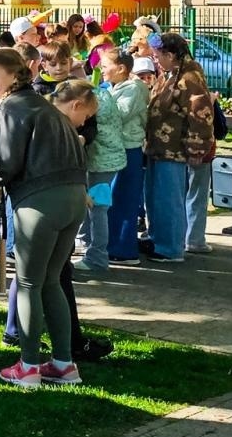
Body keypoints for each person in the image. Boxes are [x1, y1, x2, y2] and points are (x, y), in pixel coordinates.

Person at [0, 49, 89, 387]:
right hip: (73, 198)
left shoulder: (12, 106)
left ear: (14, 74)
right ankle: (64, 364)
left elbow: (2, 162)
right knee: (51, 280)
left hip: (40, 202)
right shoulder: (45, 105)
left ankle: (28, 366)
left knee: (28, 283)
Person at [143, 33, 216, 264]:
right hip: (159, 147)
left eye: (158, 56)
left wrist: (197, 148)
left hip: (174, 150)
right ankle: (158, 239)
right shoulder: (170, 75)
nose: (155, 61)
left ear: (171, 55)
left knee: (169, 199)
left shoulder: (189, 78)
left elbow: (201, 115)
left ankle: (170, 248)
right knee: (156, 198)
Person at [75, 62, 126, 275]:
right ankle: (90, 246)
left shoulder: (92, 101)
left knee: (97, 209)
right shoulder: (103, 94)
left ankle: (97, 256)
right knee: (97, 208)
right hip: (110, 159)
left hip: (100, 161)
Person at [101, 49, 149, 265]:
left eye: (105, 66)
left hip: (129, 149)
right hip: (116, 148)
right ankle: (113, 245)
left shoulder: (132, 89)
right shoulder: (114, 88)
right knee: (114, 197)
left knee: (124, 198)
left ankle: (124, 249)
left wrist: (98, 103)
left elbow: (119, 114)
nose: (102, 70)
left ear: (121, 68)